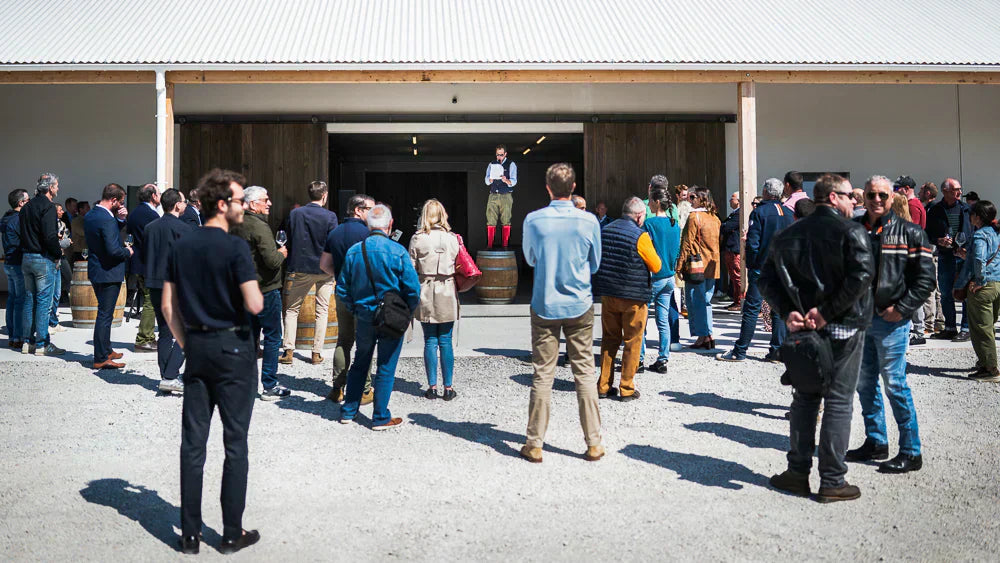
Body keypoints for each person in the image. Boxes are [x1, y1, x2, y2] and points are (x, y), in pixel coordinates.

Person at [161, 168, 262, 555]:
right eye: (238, 200)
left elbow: (169, 307)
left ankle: (189, 536)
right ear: (222, 205)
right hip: (234, 348)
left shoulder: (181, 245)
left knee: (193, 445)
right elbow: (254, 303)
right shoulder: (235, 248)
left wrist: (188, 344)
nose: (241, 207)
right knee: (235, 442)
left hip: (198, 346)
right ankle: (231, 533)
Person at [761, 173, 874, 503]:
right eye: (849, 196)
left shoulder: (789, 234)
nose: (855, 201)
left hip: (805, 333)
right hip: (843, 329)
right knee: (838, 401)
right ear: (834, 197)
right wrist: (825, 311)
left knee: (805, 398)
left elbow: (766, 279)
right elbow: (862, 278)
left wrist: (788, 312)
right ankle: (832, 480)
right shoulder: (852, 231)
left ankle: (797, 474)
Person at [846, 175, 934, 475]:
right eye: (872, 195)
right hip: (861, 320)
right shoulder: (855, 231)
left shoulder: (911, 233)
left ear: (892, 197)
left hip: (891, 322)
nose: (877, 200)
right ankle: (876, 441)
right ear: (865, 197)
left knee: (895, 384)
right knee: (865, 383)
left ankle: (911, 451)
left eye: (883, 195)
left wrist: (904, 309)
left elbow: (926, 279)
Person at [520, 163, 604, 463]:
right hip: (579, 302)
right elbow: (595, 264)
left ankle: (535, 443)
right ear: (573, 187)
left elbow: (530, 258)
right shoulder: (589, 221)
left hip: (545, 302)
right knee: (584, 372)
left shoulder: (534, 220)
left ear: (547, 187)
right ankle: (593, 442)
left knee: (543, 373)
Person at [336, 204, 420, 430]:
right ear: (390, 225)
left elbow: (342, 288)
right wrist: (406, 312)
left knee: (360, 362)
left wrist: (355, 308)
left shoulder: (355, 251)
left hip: (364, 316)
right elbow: (413, 290)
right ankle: (380, 417)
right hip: (391, 317)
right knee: (386, 365)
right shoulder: (397, 251)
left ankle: (348, 411)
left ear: (367, 225)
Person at [717, 178, 794, 363]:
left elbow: (753, 244)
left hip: (762, 268)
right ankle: (776, 350)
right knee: (778, 310)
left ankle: (740, 350)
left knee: (751, 310)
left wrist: (750, 265)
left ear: (766, 192)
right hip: (782, 268)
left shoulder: (760, 212)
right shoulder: (789, 213)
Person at [594, 196, 662, 400]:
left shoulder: (605, 230)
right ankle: (626, 388)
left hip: (608, 294)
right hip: (633, 296)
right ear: (640, 216)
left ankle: (604, 385)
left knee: (609, 340)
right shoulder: (640, 236)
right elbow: (656, 265)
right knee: (632, 341)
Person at [231, 186, 291, 401]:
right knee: (273, 337)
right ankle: (269, 386)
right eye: (265, 200)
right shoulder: (259, 226)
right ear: (254, 204)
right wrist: (282, 253)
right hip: (265, 289)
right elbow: (272, 261)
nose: (269, 203)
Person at [320, 194, 376, 404]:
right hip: (364, 293)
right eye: (370, 208)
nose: (373, 213)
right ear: (358, 210)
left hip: (342, 291)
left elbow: (324, 264)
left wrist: (340, 275)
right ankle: (364, 389)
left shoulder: (335, 233)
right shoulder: (369, 233)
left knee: (343, 340)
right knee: (365, 341)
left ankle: (337, 387)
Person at [281, 181, 338, 365]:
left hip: (302, 266)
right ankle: (316, 352)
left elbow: (288, 238)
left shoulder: (295, 214)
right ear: (325, 195)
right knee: (321, 311)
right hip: (324, 268)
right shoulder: (330, 216)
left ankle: (288, 350)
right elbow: (333, 243)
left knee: (292, 309)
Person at [143, 188, 194, 393]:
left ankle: (166, 376)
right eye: (184, 202)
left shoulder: (150, 227)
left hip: (154, 283)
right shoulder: (184, 229)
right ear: (177, 205)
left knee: (165, 331)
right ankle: (171, 375)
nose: (186, 205)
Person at [409, 199, 460, 400]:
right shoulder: (453, 238)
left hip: (426, 288)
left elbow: (410, 268)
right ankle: (448, 388)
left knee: (430, 340)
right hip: (447, 287)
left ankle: (432, 387)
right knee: (446, 340)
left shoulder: (417, 238)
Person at [84, 183, 133, 369]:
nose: (121, 205)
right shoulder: (106, 219)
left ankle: (106, 348)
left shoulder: (92, 215)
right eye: (120, 202)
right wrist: (128, 252)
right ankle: (101, 357)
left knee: (105, 314)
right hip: (108, 272)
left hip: (97, 269)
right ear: (113, 200)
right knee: (105, 315)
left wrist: (119, 221)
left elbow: (105, 236)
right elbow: (113, 250)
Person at [19, 173, 66, 356]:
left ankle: (27, 342)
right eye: (56, 186)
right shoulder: (47, 207)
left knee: (30, 300)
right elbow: (49, 236)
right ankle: (42, 344)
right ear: (49, 188)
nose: (57, 189)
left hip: (27, 257)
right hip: (42, 258)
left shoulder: (27, 207)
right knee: (44, 303)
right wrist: (57, 254)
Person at [955, 201, 1000, 381]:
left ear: (978, 217)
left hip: (983, 286)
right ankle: (984, 362)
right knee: (988, 326)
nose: (969, 217)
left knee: (980, 328)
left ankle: (990, 369)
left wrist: (979, 280)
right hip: (997, 283)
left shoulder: (980, 235)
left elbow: (981, 260)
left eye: (971, 214)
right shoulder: (996, 233)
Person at [926, 178, 973, 342]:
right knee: (946, 293)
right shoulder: (935, 210)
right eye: (955, 189)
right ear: (945, 191)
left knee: (964, 293)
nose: (960, 192)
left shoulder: (967, 209)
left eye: (960, 189)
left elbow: (974, 231)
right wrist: (938, 240)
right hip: (946, 256)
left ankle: (966, 328)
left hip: (964, 257)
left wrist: (969, 248)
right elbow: (927, 233)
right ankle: (950, 328)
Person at [643, 187, 681, 374]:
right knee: (663, 320)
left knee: (641, 319)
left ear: (657, 202)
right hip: (668, 276)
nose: (648, 203)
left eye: (650, 200)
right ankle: (662, 359)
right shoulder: (675, 225)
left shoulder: (649, 224)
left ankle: (639, 359)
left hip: (653, 276)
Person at [677, 186, 721, 350]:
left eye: (693, 197)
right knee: (706, 301)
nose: (690, 200)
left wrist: (679, 265)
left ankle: (703, 336)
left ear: (701, 199)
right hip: (712, 264)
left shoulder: (694, 217)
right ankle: (708, 335)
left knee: (695, 301)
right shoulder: (714, 218)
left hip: (697, 265)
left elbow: (687, 244)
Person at [127, 183, 162, 352]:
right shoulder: (149, 215)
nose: (160, 196)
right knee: (150, 301)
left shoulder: (135, 212)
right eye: (159, 193)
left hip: (140, 261)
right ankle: (144, 338)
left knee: (150, 299)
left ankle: (148, 337)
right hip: (148, 263)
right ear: (153, 196)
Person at [2, 189, 29, 349]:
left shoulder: (6, 218)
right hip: (18, 262)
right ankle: (17, 336)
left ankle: (13, 335)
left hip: (9, 262)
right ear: (21, 203)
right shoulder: (18, 219)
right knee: (19, 300)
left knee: (12, 299)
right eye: (28, 200)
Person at [484, 144, 518, 248]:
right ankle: (489, 245)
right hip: (493, 194)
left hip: (506, 195)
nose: (499, 157)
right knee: (490, 219)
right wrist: (489, 180)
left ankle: (505, 245)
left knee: (506, 219)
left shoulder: (511, 164)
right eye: (497, 155)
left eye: (501, 155)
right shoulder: (491, 164)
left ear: (505, 154)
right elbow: (486, 180)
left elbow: (514, 181)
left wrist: (506, 180)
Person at [48, 203, 73, 333]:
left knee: (59, 289)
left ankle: (53, 321)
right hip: (52, 258)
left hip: (61, 256)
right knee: (50, 292)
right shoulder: (48, 224)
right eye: (60, 209)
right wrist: (63, 242)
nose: (62, 211)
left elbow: (63, 238)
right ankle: (49, 322)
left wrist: (66, 241)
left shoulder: (62, 224)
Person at [720, 191, 742, 311]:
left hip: (734, 249)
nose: (730, 201)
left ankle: (739, 301)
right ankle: (735, 300)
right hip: (729, 248)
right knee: (733, 277)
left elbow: (726, 227)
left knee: (737, 276)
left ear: (738, 201)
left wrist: (724, 225)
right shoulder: (734, 214)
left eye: (732, 198)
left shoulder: (739, 214)